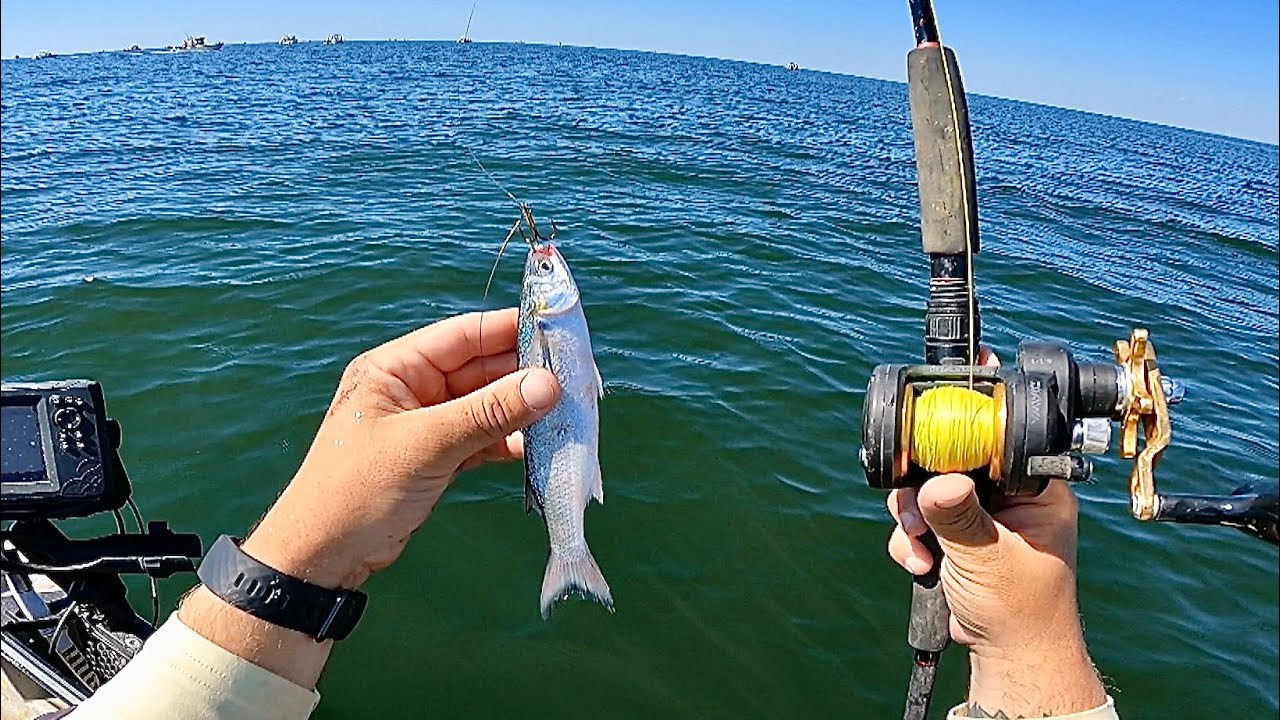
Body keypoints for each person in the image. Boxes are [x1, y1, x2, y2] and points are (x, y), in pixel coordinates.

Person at [57, 309, 1117, 719]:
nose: (545, 275)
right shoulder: (551, 336)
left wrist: (306, 548)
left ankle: (571, 554)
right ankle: (573, 554)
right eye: (541, 274)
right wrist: (1030, 645)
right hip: (559, 467)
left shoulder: (552, 336)